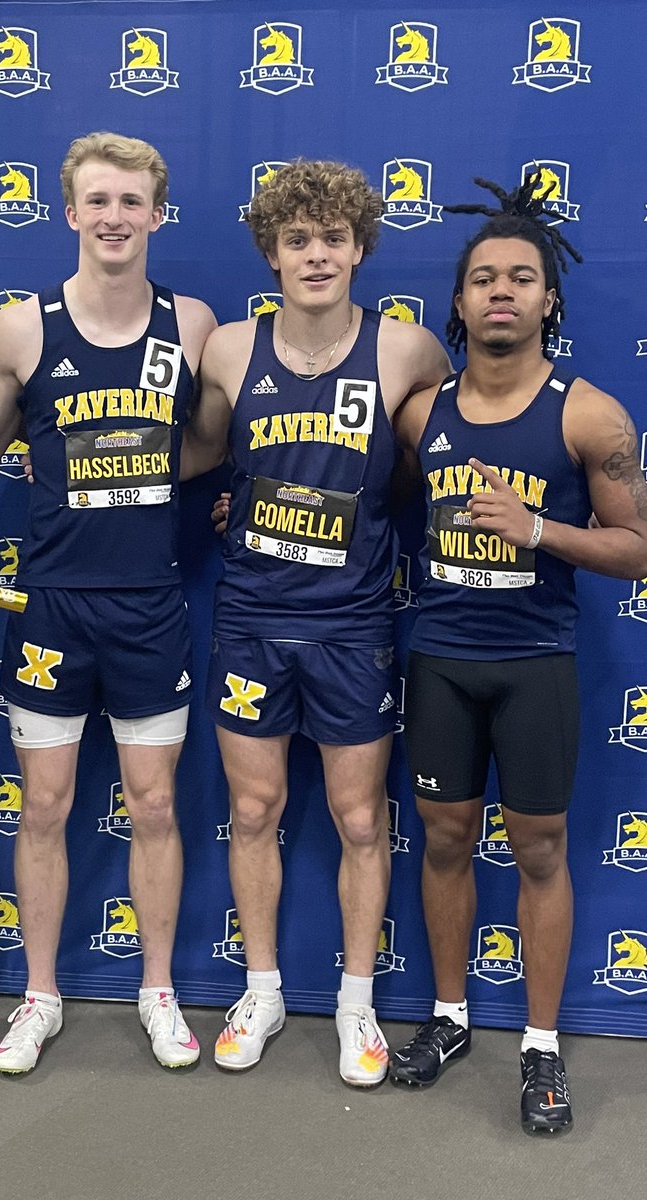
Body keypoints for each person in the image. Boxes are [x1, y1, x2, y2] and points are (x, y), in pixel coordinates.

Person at [389, 175, 647, 1133]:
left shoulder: (590, 415)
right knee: (446, 837)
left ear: (549, 299)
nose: (502, 291)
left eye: (521, 278)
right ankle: (450, 1016)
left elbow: (638, 549)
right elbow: (369, 503)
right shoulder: (421, 413)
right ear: (458, 302)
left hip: (536, 659)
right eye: (484, 278)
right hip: (442, 658)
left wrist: (539, 530)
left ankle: (540, 1045)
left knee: (538, 848)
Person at [0, 132, 218, 1074]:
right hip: (52, 611)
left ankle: (157, 991)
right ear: (70, 213)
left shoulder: (191, 323)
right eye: (98, 201)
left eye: (132, 201)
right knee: (45, 805)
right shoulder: (21, 329)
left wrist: (139, 477)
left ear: (157, 213)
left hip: (151, 605)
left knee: (153, 806)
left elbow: (206, 446)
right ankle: (39, 997)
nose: (115, 218)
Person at [198, 159, 450, 1084]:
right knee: (254, 809)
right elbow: (200, 455)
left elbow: (455, 441)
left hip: (353, 628)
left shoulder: (406, 349)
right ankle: (262, 989)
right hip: (252, 619)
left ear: (359, 247)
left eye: (332, 238)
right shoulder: (227, 349)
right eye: (297, 239)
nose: (316, 254)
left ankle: (356, 1003)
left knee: (356, 818)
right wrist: (237, 500)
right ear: (270, 251)